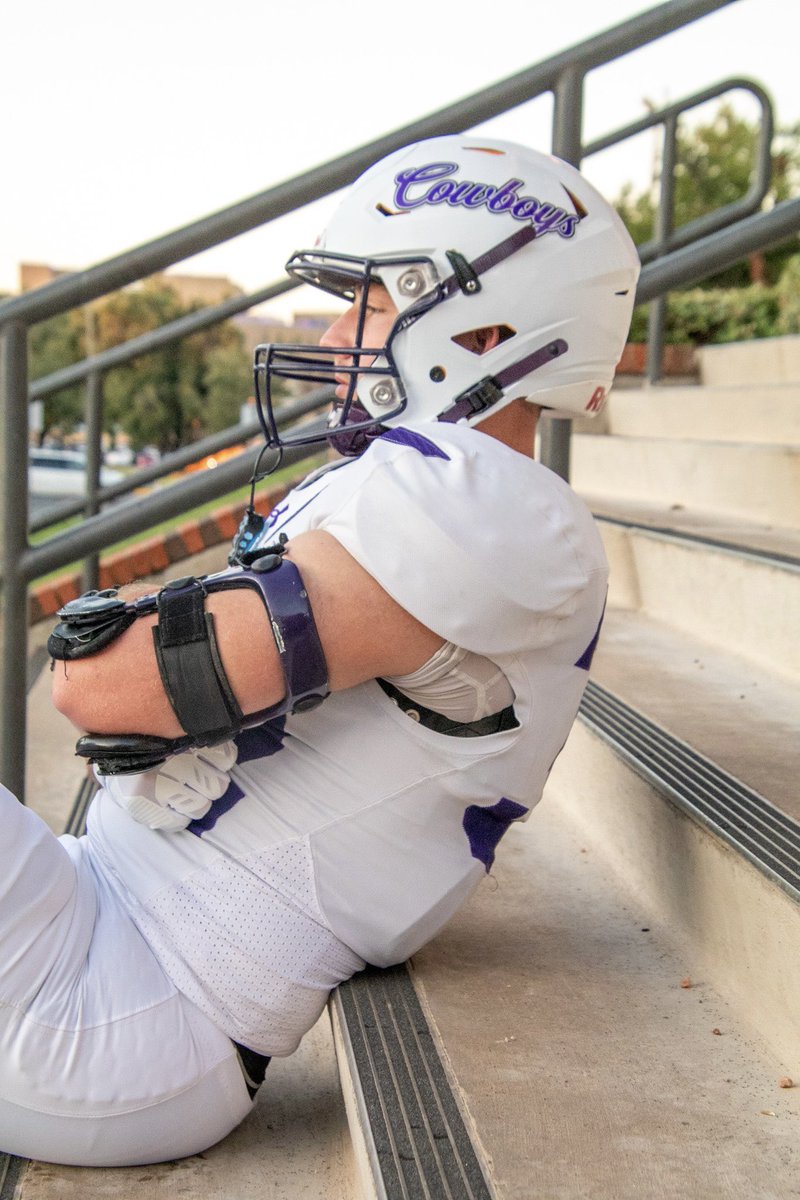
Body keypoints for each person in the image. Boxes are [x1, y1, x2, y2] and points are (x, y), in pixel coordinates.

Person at [0, 135, 639, 1167]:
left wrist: (139, 639)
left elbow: (105, 687)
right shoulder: (441, 485)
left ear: (483, 324)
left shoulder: (489, 505)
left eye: (373, 300)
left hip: (130, 1007)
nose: (341, 330)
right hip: (113, 936)